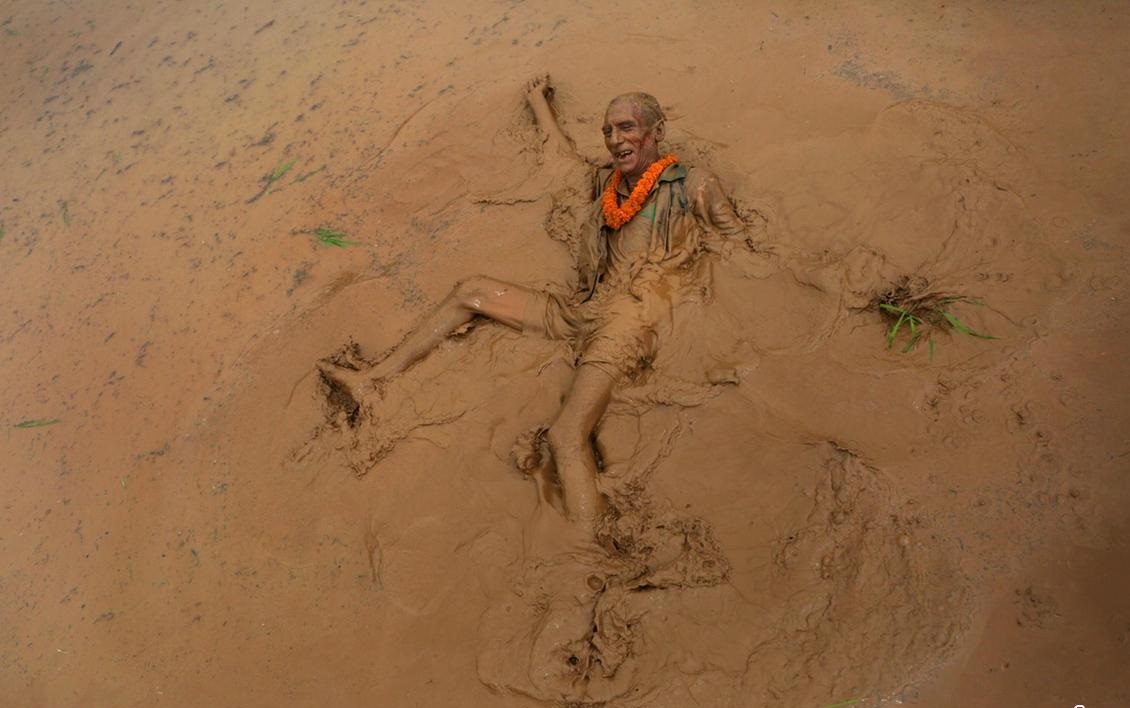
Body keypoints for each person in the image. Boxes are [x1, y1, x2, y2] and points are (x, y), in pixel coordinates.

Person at [319, 76, 748, 528]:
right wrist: (537, 104)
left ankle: (588, 552)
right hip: (583, 310)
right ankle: (372, 379)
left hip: (630, 324)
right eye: (607, 131)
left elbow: (741, 250)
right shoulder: (606, 182)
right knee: (472, 290)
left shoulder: (694, 186)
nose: (615, 140)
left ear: (657, 131)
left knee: (565, 436)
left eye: (626, 128)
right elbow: (562, 162)